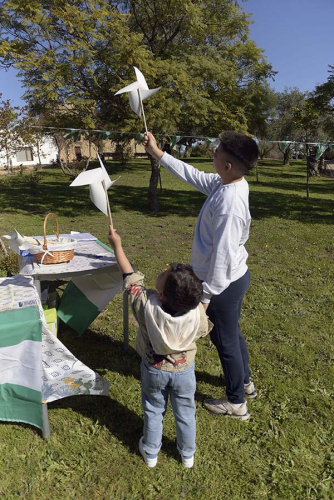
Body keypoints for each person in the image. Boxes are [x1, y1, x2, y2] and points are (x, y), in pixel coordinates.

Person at [143, 131, 258, 421]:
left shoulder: (230, 205)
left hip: (224, 283)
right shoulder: (226, 183)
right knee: (230, 334)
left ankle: (236, 403)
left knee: (226, 340)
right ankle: (245, 383)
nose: (213, 154)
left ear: (228, 165)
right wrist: (159, 153)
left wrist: (206, 298)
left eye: (217, 152)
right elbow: (192, 174)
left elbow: (224, 257)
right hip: (230, 278)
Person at [108, 227, 211, 468]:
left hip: (154, 370)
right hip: (184, 371)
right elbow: (203, 327)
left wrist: (117, 246)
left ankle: (151, 452)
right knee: (186, 411)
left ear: (162, 295)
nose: (163, 270)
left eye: (163, 274)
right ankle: (187, 455)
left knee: (154, 409)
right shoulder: (196, 312)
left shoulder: (146, 307)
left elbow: (129, 276)